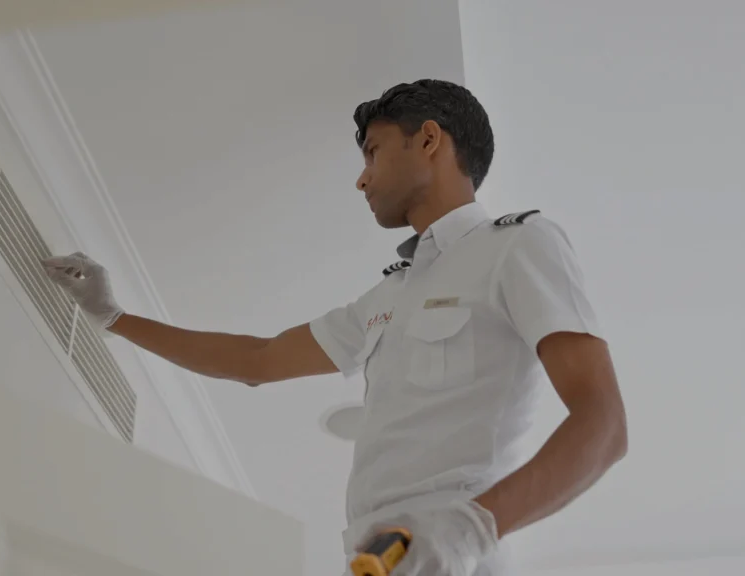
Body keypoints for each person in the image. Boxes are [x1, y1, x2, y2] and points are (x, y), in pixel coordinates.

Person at [43, 79, 628, 576]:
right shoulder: (389, 295)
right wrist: (112, 316)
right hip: (376, 554)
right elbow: (258, 360)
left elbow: (603, 426)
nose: (361, 179)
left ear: (428, 139)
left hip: (450, 554)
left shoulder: (519, 245)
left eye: (373, 152)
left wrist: (472, 528)